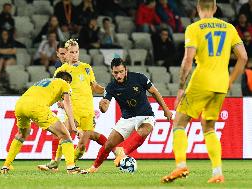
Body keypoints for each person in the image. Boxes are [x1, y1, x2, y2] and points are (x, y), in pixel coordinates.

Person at [161, 0, 248, 184]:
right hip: (221, 83)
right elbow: (244, 57)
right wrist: (230, 81)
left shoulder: (194, 28)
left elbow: (187, 60)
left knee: (179, 123)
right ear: (215, 8)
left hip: (201, 81)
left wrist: (181, 88)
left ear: (198, 8)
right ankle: (217, 172)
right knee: (209, 127)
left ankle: (180, 165)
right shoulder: (229, 28)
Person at [86, 57, 173, 173]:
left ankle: (122, 152)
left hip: (146, 116)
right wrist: (102, 106)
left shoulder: (139, 77)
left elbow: (154, 92)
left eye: (121, 72)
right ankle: (93, 168)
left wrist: (166, 109)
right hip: (127, 119)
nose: (119, 75)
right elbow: (105, 106)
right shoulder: (110, 87)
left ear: (126, 70)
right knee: (108, 145)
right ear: (112, 72)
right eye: (116, 73)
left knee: (145, 130)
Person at [37, 39, 107, 171]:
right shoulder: (62, 70)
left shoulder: (86, 68)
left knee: (81, 147)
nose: (74, 55)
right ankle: (57, 163)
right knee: (64, 133)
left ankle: (70, 162)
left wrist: (107, 90)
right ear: (66, 53)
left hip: (87, 110)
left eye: (76, 52)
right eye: (71, 52)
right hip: (72, 109)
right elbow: (56, 89)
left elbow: (94, 87)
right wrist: (60, 101)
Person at [1, 71, 83, 174]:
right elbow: (67, 103)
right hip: (36, 107)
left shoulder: (44, 81)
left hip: (20, 105)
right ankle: (71, 168)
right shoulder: (64, 83)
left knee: (22, 134)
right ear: (67, 81)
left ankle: (6, 166)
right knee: (65, 135)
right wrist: (73, 126)